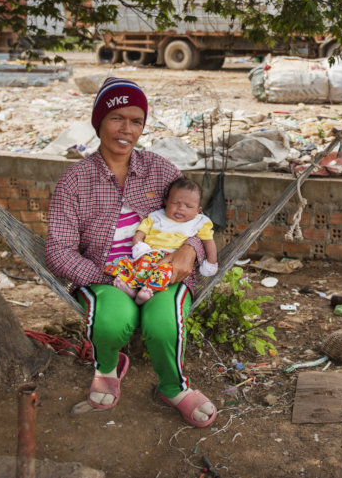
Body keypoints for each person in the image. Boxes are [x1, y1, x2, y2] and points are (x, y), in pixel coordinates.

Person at [45, 77, 218, 427]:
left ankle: (173, 387)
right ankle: (107, 368)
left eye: (136, 120)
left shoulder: (161, 170)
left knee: (164, 323)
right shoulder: (75, 181)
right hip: (106, 277)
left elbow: (196, 221)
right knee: (111, 323)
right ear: (99, 122)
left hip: (164, 274)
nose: (126, 129)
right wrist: (110, 278)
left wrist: (190, 250)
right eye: (116, 118)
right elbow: (59, 251)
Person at [105, 177, 219, 305]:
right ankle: (131, 289)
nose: (181, 208)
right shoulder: (156, 216)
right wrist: (139, 246)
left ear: (198, 210)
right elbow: (140, 233)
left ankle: (148, 291)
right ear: (166, 201)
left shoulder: (199, 222)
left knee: (164, 273)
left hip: (171, 259)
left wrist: (211, 263)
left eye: (188, 206)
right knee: (126, 264)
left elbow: (208, 243)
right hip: (147, 255)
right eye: (175, 203)